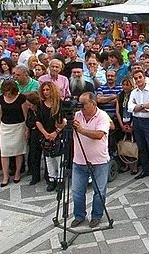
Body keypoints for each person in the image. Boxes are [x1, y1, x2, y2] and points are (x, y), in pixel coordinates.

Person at [70, 92, 111, 229]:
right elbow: (60, 127)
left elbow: (99, 135)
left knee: (99, 191)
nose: (80, 106)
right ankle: (79, 216)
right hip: (79, 161)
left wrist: (81, 130)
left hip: (99, 161)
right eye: (79, 103)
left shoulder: (102, 116)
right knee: (77, 191)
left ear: (93, 104)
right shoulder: (76, 115)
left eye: (83, 103)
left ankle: (96, 216)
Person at [128, 70, 149, 184]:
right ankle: (146, 170)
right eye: (136, 78)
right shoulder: (133, 92)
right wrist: (142, 106)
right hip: (137, 121)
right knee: (141, 147)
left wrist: (137, 107)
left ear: (144, 77)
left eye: (140, 77)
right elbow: (130, 108)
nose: (138, 80)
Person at [0, 80, 28, 187]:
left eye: (9, 91)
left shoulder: (21, 98)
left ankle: (17, 173)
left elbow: (25, 115)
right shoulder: (1, 98)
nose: (7, 93)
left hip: (19, 127)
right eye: (5, 91)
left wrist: (26, 129)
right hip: (5, 127)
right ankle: (5, 175)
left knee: (18, 151)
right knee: (4, 153)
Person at [36, 81, 66, 192]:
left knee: (59, 159)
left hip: (58, 134)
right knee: (48, 158)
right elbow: (38, 121)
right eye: (43, 90)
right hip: (46, 134)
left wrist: (56, 132)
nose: (45, 92)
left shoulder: (60, 104)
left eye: (48, 89)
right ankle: (52, 179)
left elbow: (64, 121)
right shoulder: (40, 104)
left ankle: (60, 180)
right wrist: (45, 133)